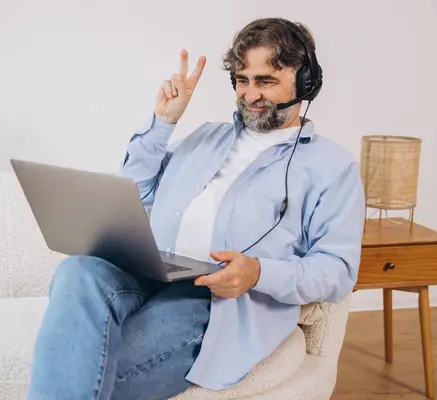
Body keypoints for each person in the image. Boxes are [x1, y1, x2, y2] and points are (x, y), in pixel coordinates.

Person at [27, 17, 365, 400]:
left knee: (86, 373)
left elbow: (337, 270)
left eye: (265, 81)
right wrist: (163, 123)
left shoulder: (331, 167)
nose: (250, 94)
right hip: (150, 270)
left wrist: (257, 272)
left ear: (304, 81)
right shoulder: (204, 136)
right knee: (78, 269)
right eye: (242, 80)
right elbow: (134, 196)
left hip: (213, 300)